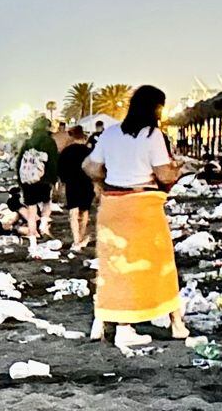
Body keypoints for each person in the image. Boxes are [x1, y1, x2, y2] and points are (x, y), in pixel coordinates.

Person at [83, 84, 183, 345]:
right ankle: (169, 324)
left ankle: (104, 319)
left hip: (113, 205)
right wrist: (178, 170)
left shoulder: (111, 134)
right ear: (155, 108)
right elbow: (163, 175)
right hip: (142, 206)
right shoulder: (153, 135)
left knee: (114, 266)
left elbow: (90, 166)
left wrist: (110, 177)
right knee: (159, 264)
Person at [17, 117, 59, 245]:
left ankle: (32, 232)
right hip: (44, 179)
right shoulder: (49, 142)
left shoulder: (27, 142)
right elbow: (53, 162)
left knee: (31, 207)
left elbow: (19, 162)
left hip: (28, 180)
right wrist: (54, 179)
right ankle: (43, 225)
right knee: (46, 203)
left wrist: (21, 180)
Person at [56, 123, 95, 253]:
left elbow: (60, 170)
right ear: (83, 136)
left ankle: (76, 239)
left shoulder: (66, 152)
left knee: (73, 212)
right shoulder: (88, 151)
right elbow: (95, 169)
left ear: (72, 136)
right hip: (86, 183)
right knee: (84, 212)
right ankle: (82, 235)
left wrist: (61, 185)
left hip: (72, 184)